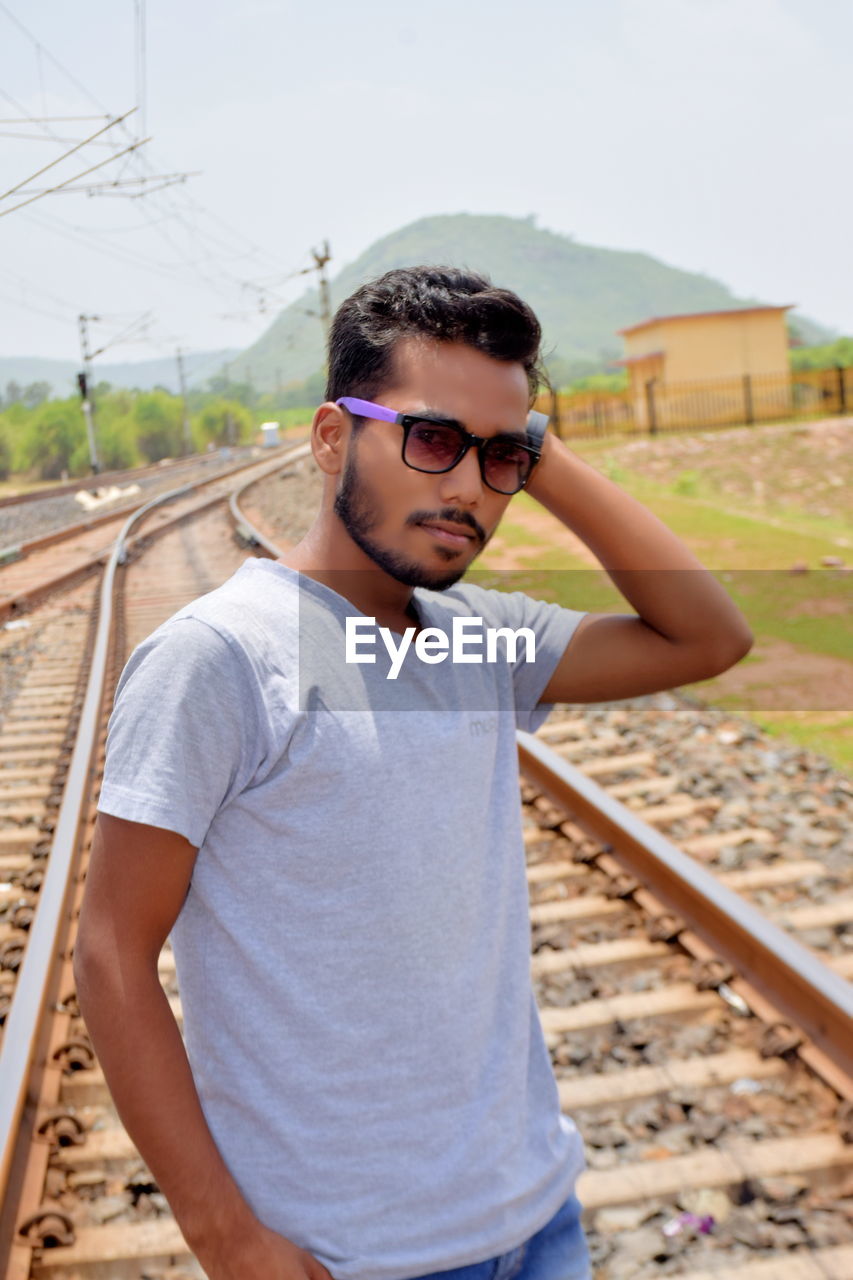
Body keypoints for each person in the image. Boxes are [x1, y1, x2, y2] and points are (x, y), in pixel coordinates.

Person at [75, 267, 753, 1280]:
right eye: (431, 438)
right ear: (329, 437)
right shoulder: (220, 657)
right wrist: (222, 1233)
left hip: (533, 1219)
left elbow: (709, 634)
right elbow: (111, 950)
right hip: (349, 1254)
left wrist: (542, 454)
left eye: (500, 458)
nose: (467, 488)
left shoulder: (475, 638)